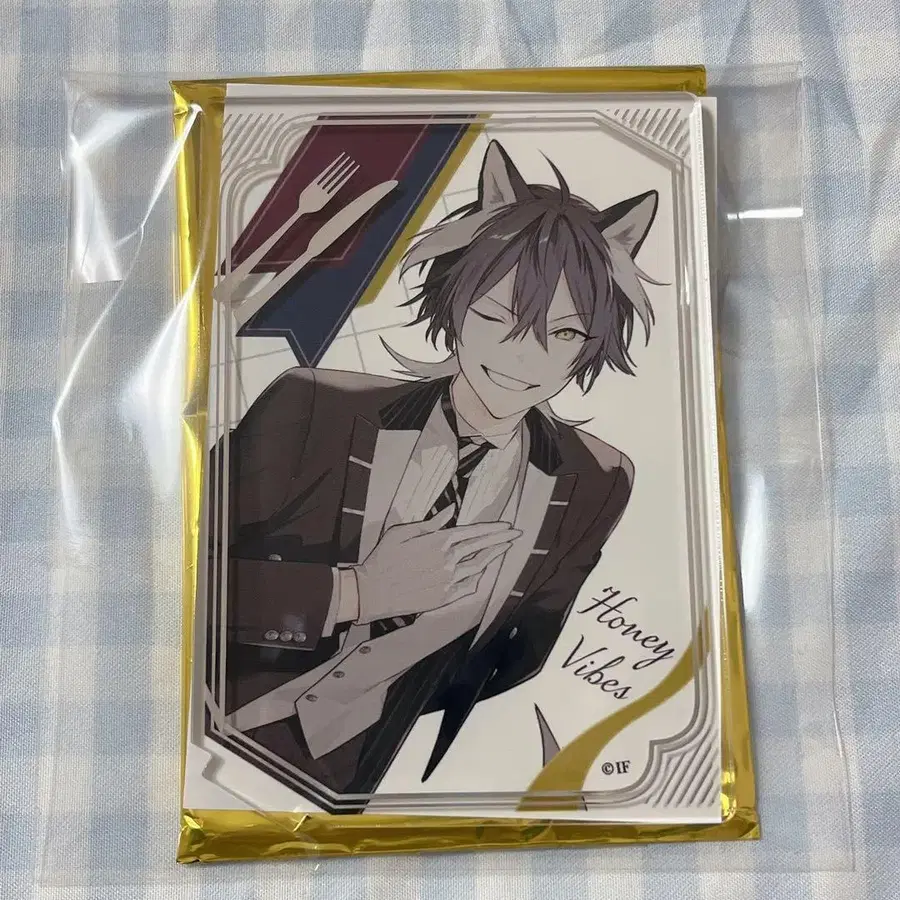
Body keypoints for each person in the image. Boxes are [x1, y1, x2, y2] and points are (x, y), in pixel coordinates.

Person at [209, 139, 660, 809]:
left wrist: (378, 688)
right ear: (453, 299)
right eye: (495, 316)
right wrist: (356, 593)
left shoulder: (595, 479)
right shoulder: (312, 407)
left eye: (565, 334)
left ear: (593, 343)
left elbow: (519, 653)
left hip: (345, 783)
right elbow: (179, 580)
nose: (524, 357)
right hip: (200, 728)